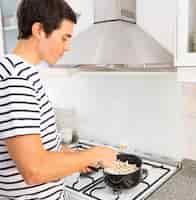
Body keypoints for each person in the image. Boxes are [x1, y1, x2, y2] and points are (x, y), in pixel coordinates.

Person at [0, 0, 117, 199]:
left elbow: (43, 147)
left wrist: (76, 158)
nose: (68, 47)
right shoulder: (16, 80)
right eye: (64, 38)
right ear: (39, 30)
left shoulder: (20, 72)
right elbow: (34, 170)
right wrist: (95, 154)